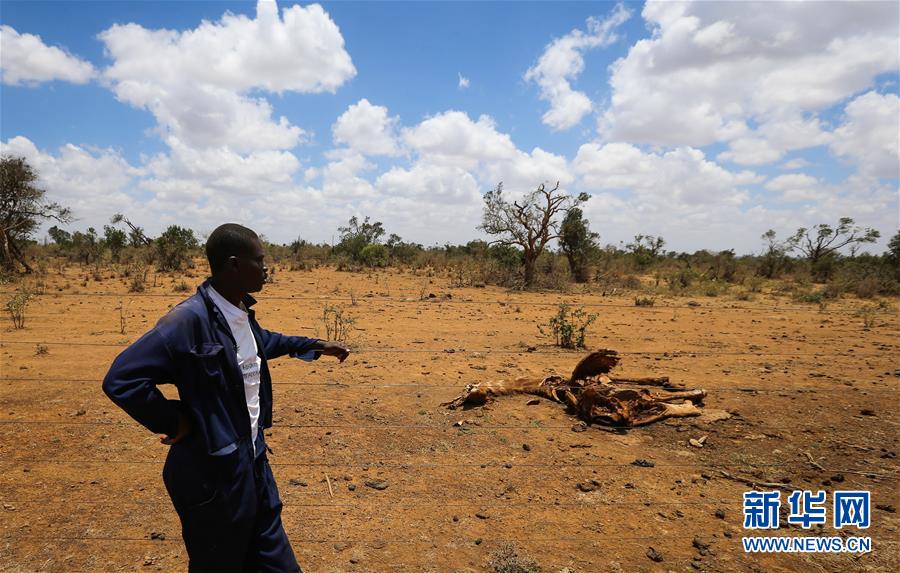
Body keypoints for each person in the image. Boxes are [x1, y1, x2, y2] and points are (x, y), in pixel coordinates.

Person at [103, 223, 349, 572]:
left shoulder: (239, 314)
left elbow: (265, 343)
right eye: (259, 260)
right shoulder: (186, 322)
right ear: (234, 265)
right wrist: (176, 420)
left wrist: (313, 345)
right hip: (212, 477)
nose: (267, 268)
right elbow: (121, 379)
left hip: (253, 464)